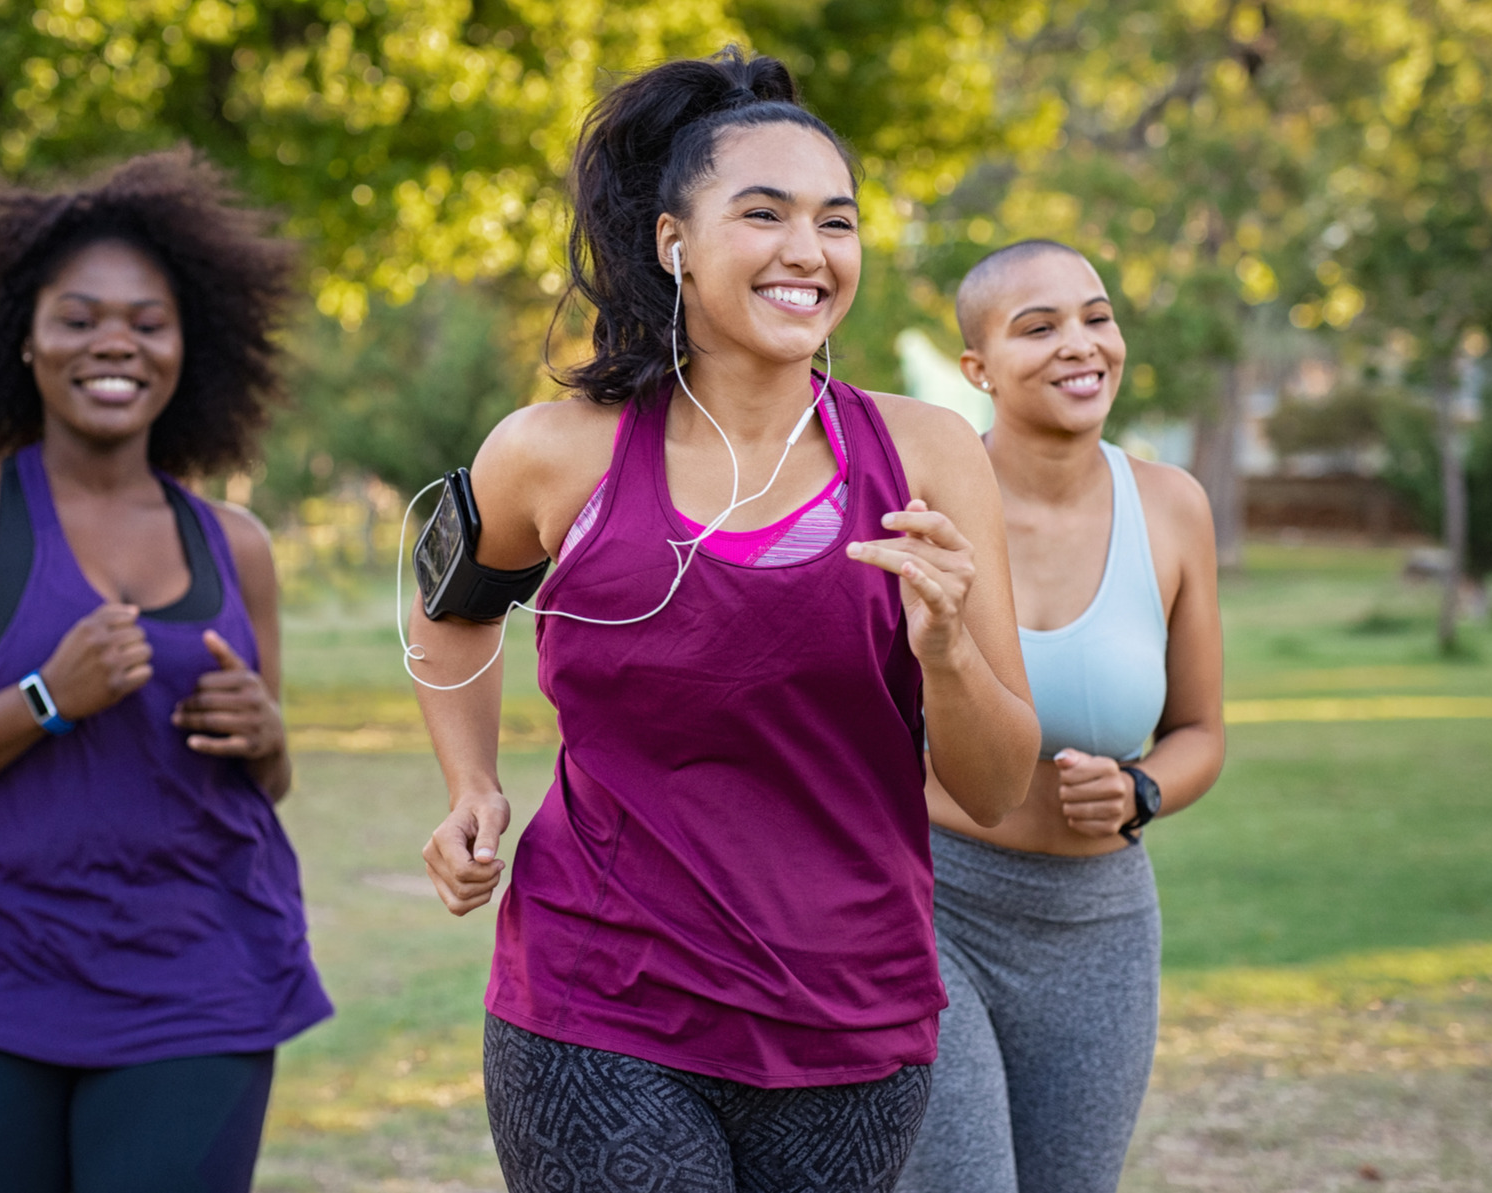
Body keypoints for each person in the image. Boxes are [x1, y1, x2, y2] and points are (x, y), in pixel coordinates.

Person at [408, 49, 1041, 1193]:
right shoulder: (555, 452)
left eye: (836, 221)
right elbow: (448, 605)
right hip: (599, 1000)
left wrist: (944, 649)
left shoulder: (930, 456)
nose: (809, 250)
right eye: (765, 213)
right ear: (673, 242)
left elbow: (995, 786)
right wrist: (470, 782)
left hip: (851, 1016)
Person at [0, 150, 330, 1193]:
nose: (115, 342)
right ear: (22, 336)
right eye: (79, 316)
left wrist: (268, 736)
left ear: (190, 345)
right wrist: (45, 699)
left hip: (195, 984)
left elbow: (264, 780)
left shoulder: (233, 544)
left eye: (149, 321)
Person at [895, 240, 1227, 1193]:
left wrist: (1142, 788)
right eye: (1036, 328)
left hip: (1101, 927)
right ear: (977, 369)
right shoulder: (918, 510)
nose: (1079, 345)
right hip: (933, 906)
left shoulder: (1172, 508)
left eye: (1095, 316)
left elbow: (1201, 730)